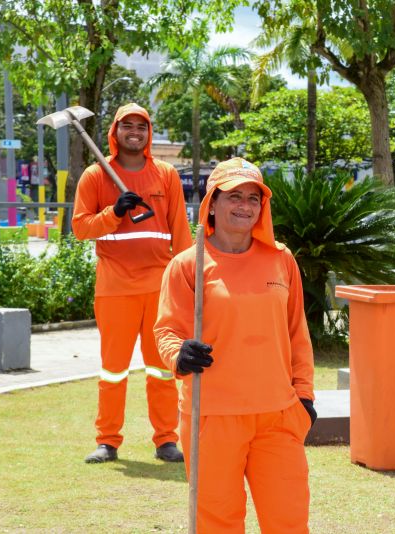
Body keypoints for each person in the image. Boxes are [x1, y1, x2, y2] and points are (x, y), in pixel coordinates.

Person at [154, 157, 316, 533]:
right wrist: (180, 354)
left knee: (289, 521)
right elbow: (166, 330)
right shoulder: (187, 264)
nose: (245, 206)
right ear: (213, 202)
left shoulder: (281, 259)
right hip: (210, 414)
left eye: (253, 198)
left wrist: (304, 397)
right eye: (234, 196)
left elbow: (297, 332)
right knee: (217, 523)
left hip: (278, 414)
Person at [73, 103, 192, 464]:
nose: (135, 132)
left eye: (142, 126)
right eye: (128, 126)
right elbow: (80, 228)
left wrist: (186, 282)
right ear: (116, 131)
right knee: (113, 369)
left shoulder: (166, 174)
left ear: (148, 132)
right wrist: (116, 212)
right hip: (115, 289)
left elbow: (181, 234)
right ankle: (107, 441)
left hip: (160, 289)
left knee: (162, 368)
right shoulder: (95, 176)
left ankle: (166, 440)